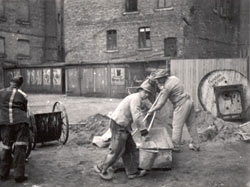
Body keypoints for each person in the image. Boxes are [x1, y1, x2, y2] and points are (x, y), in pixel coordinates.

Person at [94, 80, 154, 180]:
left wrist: (153, 108)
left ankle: (132, 172)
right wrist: (144, 132)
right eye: (145, 92)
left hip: (123, 125)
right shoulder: (136, 99)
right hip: (118, 125)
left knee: (131, 148)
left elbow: (148, 104)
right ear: (140, 90)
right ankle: (101, 167)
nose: (147, 94)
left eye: (149, 93)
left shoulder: (140, 97)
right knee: (117, 150)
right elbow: (137, 116)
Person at [148, 69, 200, 151]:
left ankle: (175, 146)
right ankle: (196, 145)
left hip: (181, 104)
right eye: (156, 79)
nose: (157, 81)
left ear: (163, 77)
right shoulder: (174, 78)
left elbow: (161, 104)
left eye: (159, 79)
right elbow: (164, 88)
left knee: (176, 126)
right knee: (191, 125)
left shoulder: (166, 88)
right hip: (189, 101)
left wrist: (152, 110)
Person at [0, 75, 30, 183]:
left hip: (5, 123)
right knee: (20, 148)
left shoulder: (1, 92)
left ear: (11, 82)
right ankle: (19, 175)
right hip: (20, 122)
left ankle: (3, 174)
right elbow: (25, 109)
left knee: (6, 147)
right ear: (20, 84)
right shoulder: (23, 95)